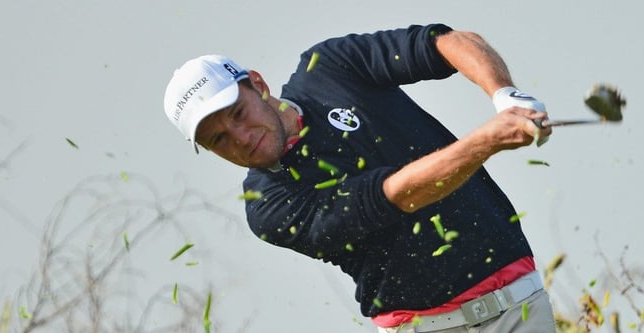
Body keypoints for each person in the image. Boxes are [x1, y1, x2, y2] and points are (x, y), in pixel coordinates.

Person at [163, 23, 555, 332]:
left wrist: (505, 95)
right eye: (218, 139)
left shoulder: (329, 67)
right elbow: (398, 194)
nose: (241, 138)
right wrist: (484, 141)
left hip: (522, 310)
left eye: (237, 114)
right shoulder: (268, 207)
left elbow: (443, 43)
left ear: (259, 85)